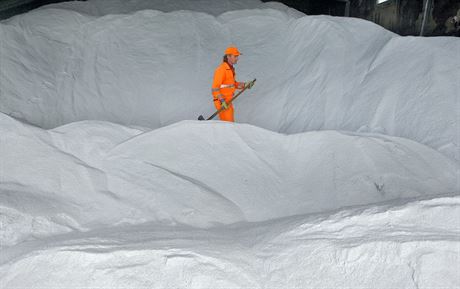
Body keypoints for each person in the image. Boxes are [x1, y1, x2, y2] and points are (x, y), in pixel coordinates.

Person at [211, 46, 254, 122]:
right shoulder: (221, 69)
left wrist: (245, 85)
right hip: (222, 102)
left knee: (229, 125)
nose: (237, 58)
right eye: (235, 56)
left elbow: (233, 84)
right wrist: (222, 101)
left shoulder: (230, 69)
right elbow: (215, 88)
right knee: (228, 125)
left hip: (227, 101)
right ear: (228, 56)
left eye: (237, 56)